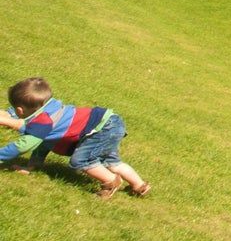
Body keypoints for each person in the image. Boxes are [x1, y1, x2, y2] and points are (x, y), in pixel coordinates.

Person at [1, 77, 149, 198]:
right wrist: (31, 166)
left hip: (101, 129)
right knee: (111, 161)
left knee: (80, 160)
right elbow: (44, 144)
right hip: (110, 122)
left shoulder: (43, 122)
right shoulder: (50, 106)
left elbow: (22, 145)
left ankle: (110, 181)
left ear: (20, 110)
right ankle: (139, 185)